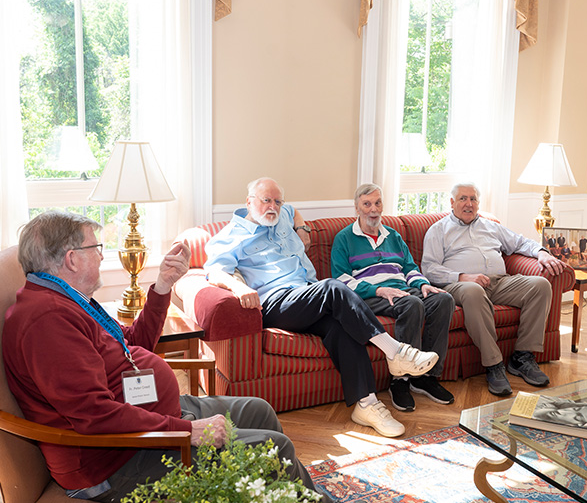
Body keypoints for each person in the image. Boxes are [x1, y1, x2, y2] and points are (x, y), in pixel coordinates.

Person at [2, 210, 328, 502]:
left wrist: (162, 286)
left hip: (142, 416)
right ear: (72, 259)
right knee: (275, 449)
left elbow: (133, 343)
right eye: (96, 248)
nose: (102, 256)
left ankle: (284, 494)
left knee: (258, 410)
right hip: (116, 460)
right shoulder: (47, 321)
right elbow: (94, 416)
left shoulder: (68, 300)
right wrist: (189, 431)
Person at [204, 177, 439, 438]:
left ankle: (366, 404)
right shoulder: (230, 236)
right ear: (249, 202)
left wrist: (302, 228)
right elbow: (214, 271)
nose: (273, 207)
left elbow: (294, 212)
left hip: (306, 295)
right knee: (334, 287)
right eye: (266, 201)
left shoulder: (282, 215)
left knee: (341, 327)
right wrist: (239, 288)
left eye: (277, 201)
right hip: (276, 302)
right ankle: (396, 352)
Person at [421, 182, 570, 396]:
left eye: (473, 199)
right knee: (473, 291)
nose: (468, 204)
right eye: (463, 199)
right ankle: (494, 365)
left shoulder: (491, 226)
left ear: (478, 203)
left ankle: (522, 357)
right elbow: (429, 268)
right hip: (460, 285)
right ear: (452, 202)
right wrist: (463, 276)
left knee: (540, 285)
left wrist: (541, 252)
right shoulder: (438, 230)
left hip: (498, 282)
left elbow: (520, 242)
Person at [331, 183, 455, 412]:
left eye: (377, 203)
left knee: (443, 300)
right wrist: (378, 290)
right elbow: (340, 280)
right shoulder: (344, 238)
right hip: (369, 295)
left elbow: (410, 268)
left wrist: (423, 284)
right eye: (367, 204)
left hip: (403, 290)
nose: (373, 209)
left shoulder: (393, 236)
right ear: (357, 208)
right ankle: (401, 381)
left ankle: (426, 376)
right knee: (412, 304)